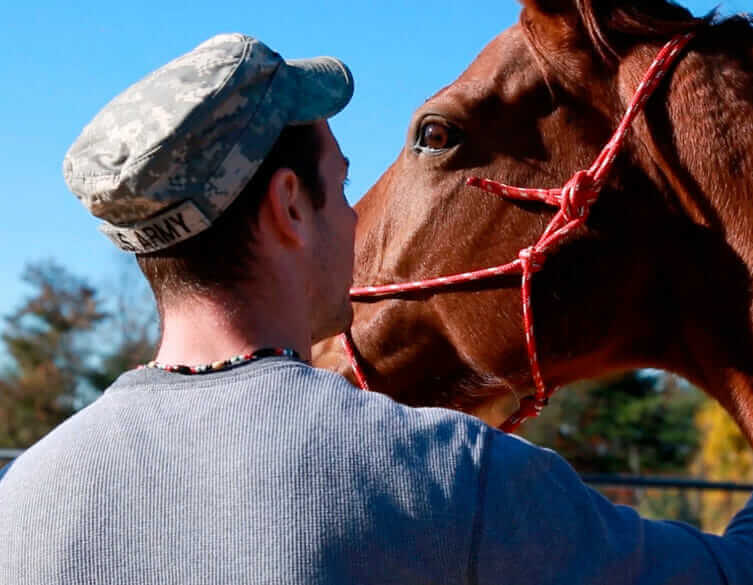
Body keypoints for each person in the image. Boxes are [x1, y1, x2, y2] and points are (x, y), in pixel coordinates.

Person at [0, 32, 751, 585]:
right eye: (342, 182)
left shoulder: (25, 502)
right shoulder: (446, 478)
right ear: (290, 207)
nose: (358, 219)